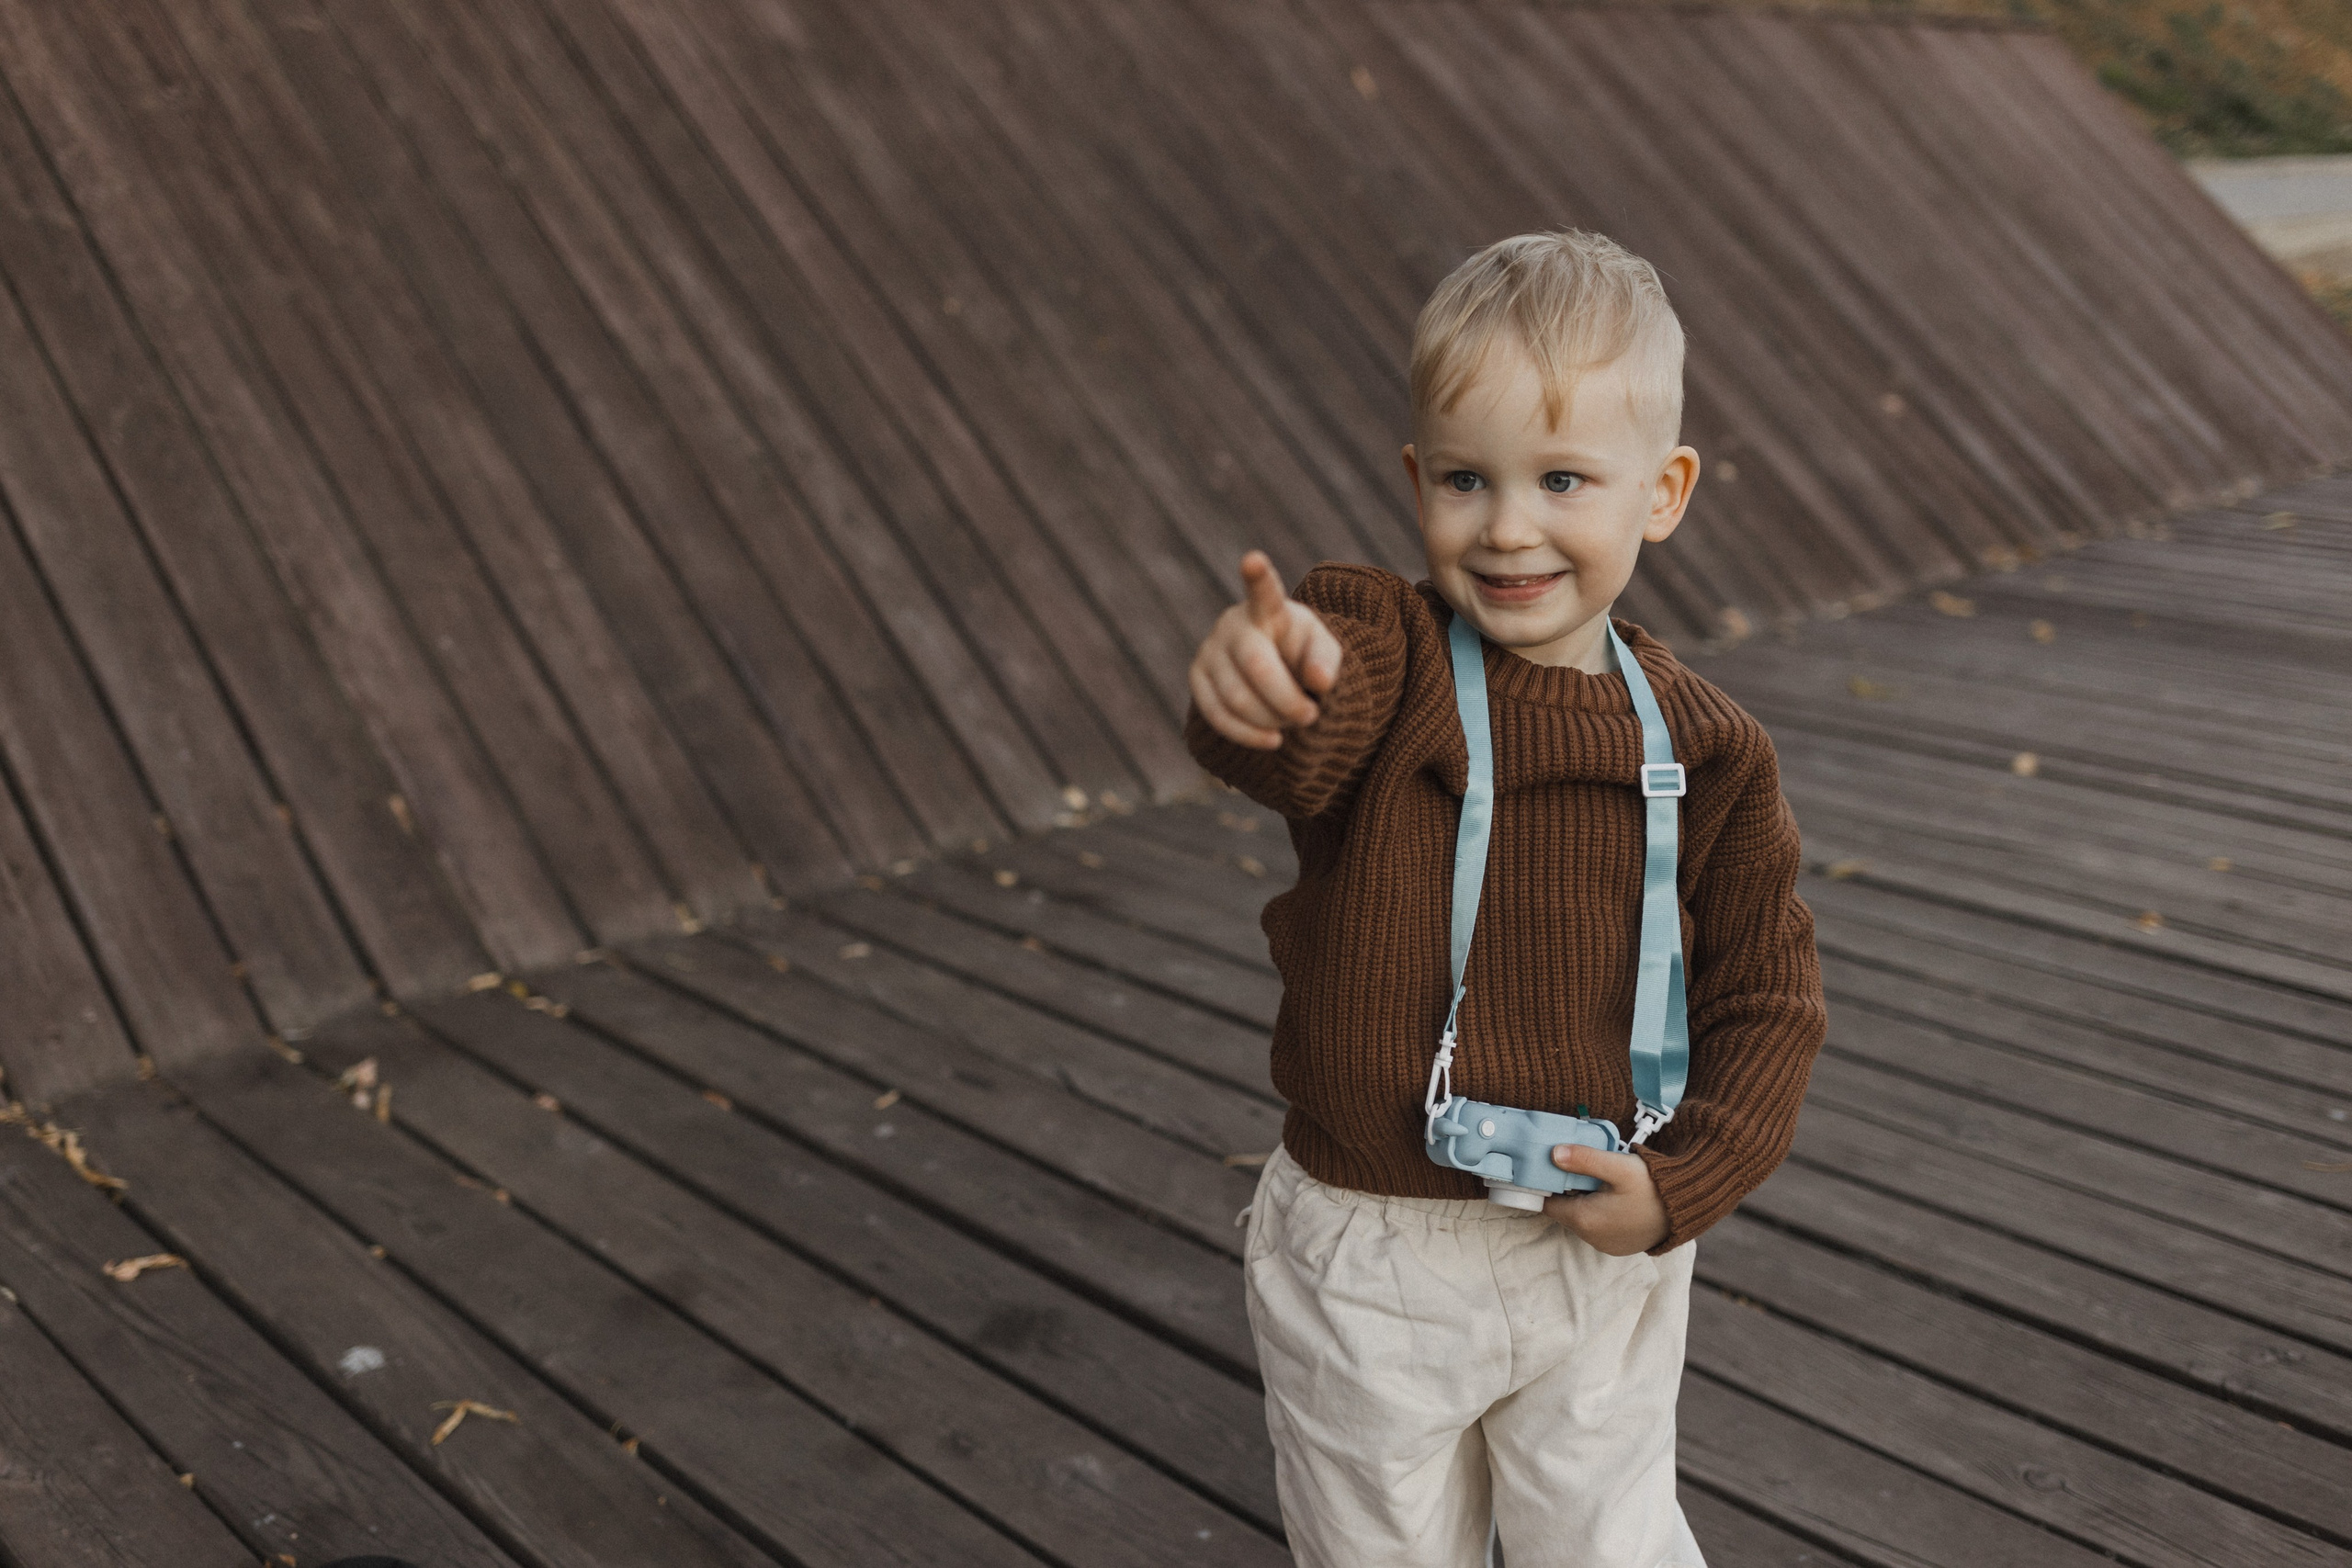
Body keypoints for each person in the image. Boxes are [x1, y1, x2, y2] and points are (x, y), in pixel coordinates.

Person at [1186, 231, 1826, 1567]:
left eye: (1563, 479)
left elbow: (1767, 994)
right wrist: (1275, 680)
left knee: (1611, 1541)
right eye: (1466, 478)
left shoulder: (1710, 749)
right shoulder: (1393, 653)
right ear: (1416, 479)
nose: (1508, 526)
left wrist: (1688, 1181)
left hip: (1602, 1233)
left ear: (1664, 492)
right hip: (1377, 1251)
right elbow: (1312, 725)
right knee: (1381, 1547)